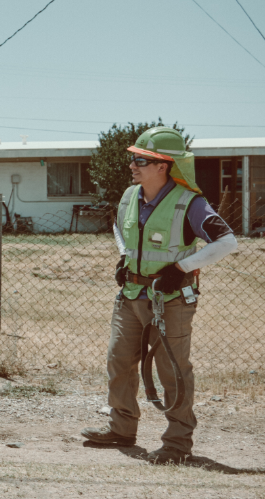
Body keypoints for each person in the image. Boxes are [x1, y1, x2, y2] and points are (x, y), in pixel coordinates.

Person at [81, 126, 239, 463]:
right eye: (134, 158)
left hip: (171, 301)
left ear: (163, 166)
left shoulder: (189, 203)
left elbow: (227, 242)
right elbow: (119, 226)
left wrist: (181, 269)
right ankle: (121, 428)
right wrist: (124, 256)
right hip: (132, 294)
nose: (132, 165)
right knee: (119, 362)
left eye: (141, 160)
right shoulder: (129, 196)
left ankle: (177, 444)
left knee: (173, 371)